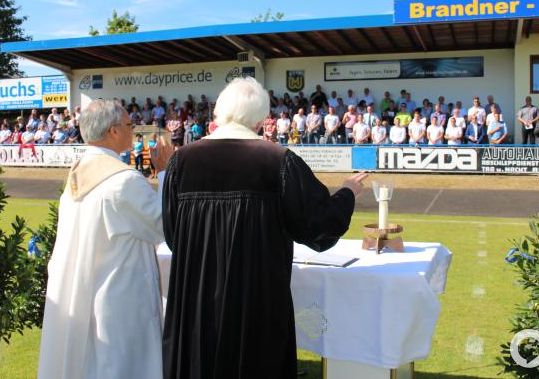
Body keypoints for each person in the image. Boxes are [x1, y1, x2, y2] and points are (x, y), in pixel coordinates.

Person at [161, 77, 366, 379]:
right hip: (255, 301)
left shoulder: (182, 161)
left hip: (198, 301)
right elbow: (317, 225)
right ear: (261, 118)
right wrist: (347, 192)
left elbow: (173, 233)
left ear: (220, 111)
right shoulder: (279, 161)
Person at [38, 100, 171, 379]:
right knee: (122, 365)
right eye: (128, 125)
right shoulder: (123, 181)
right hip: (121, 292)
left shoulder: (79, 171)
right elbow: (164, 225)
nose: (132, 130)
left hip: (89, 284)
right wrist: (164, 172)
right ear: (113, 131)